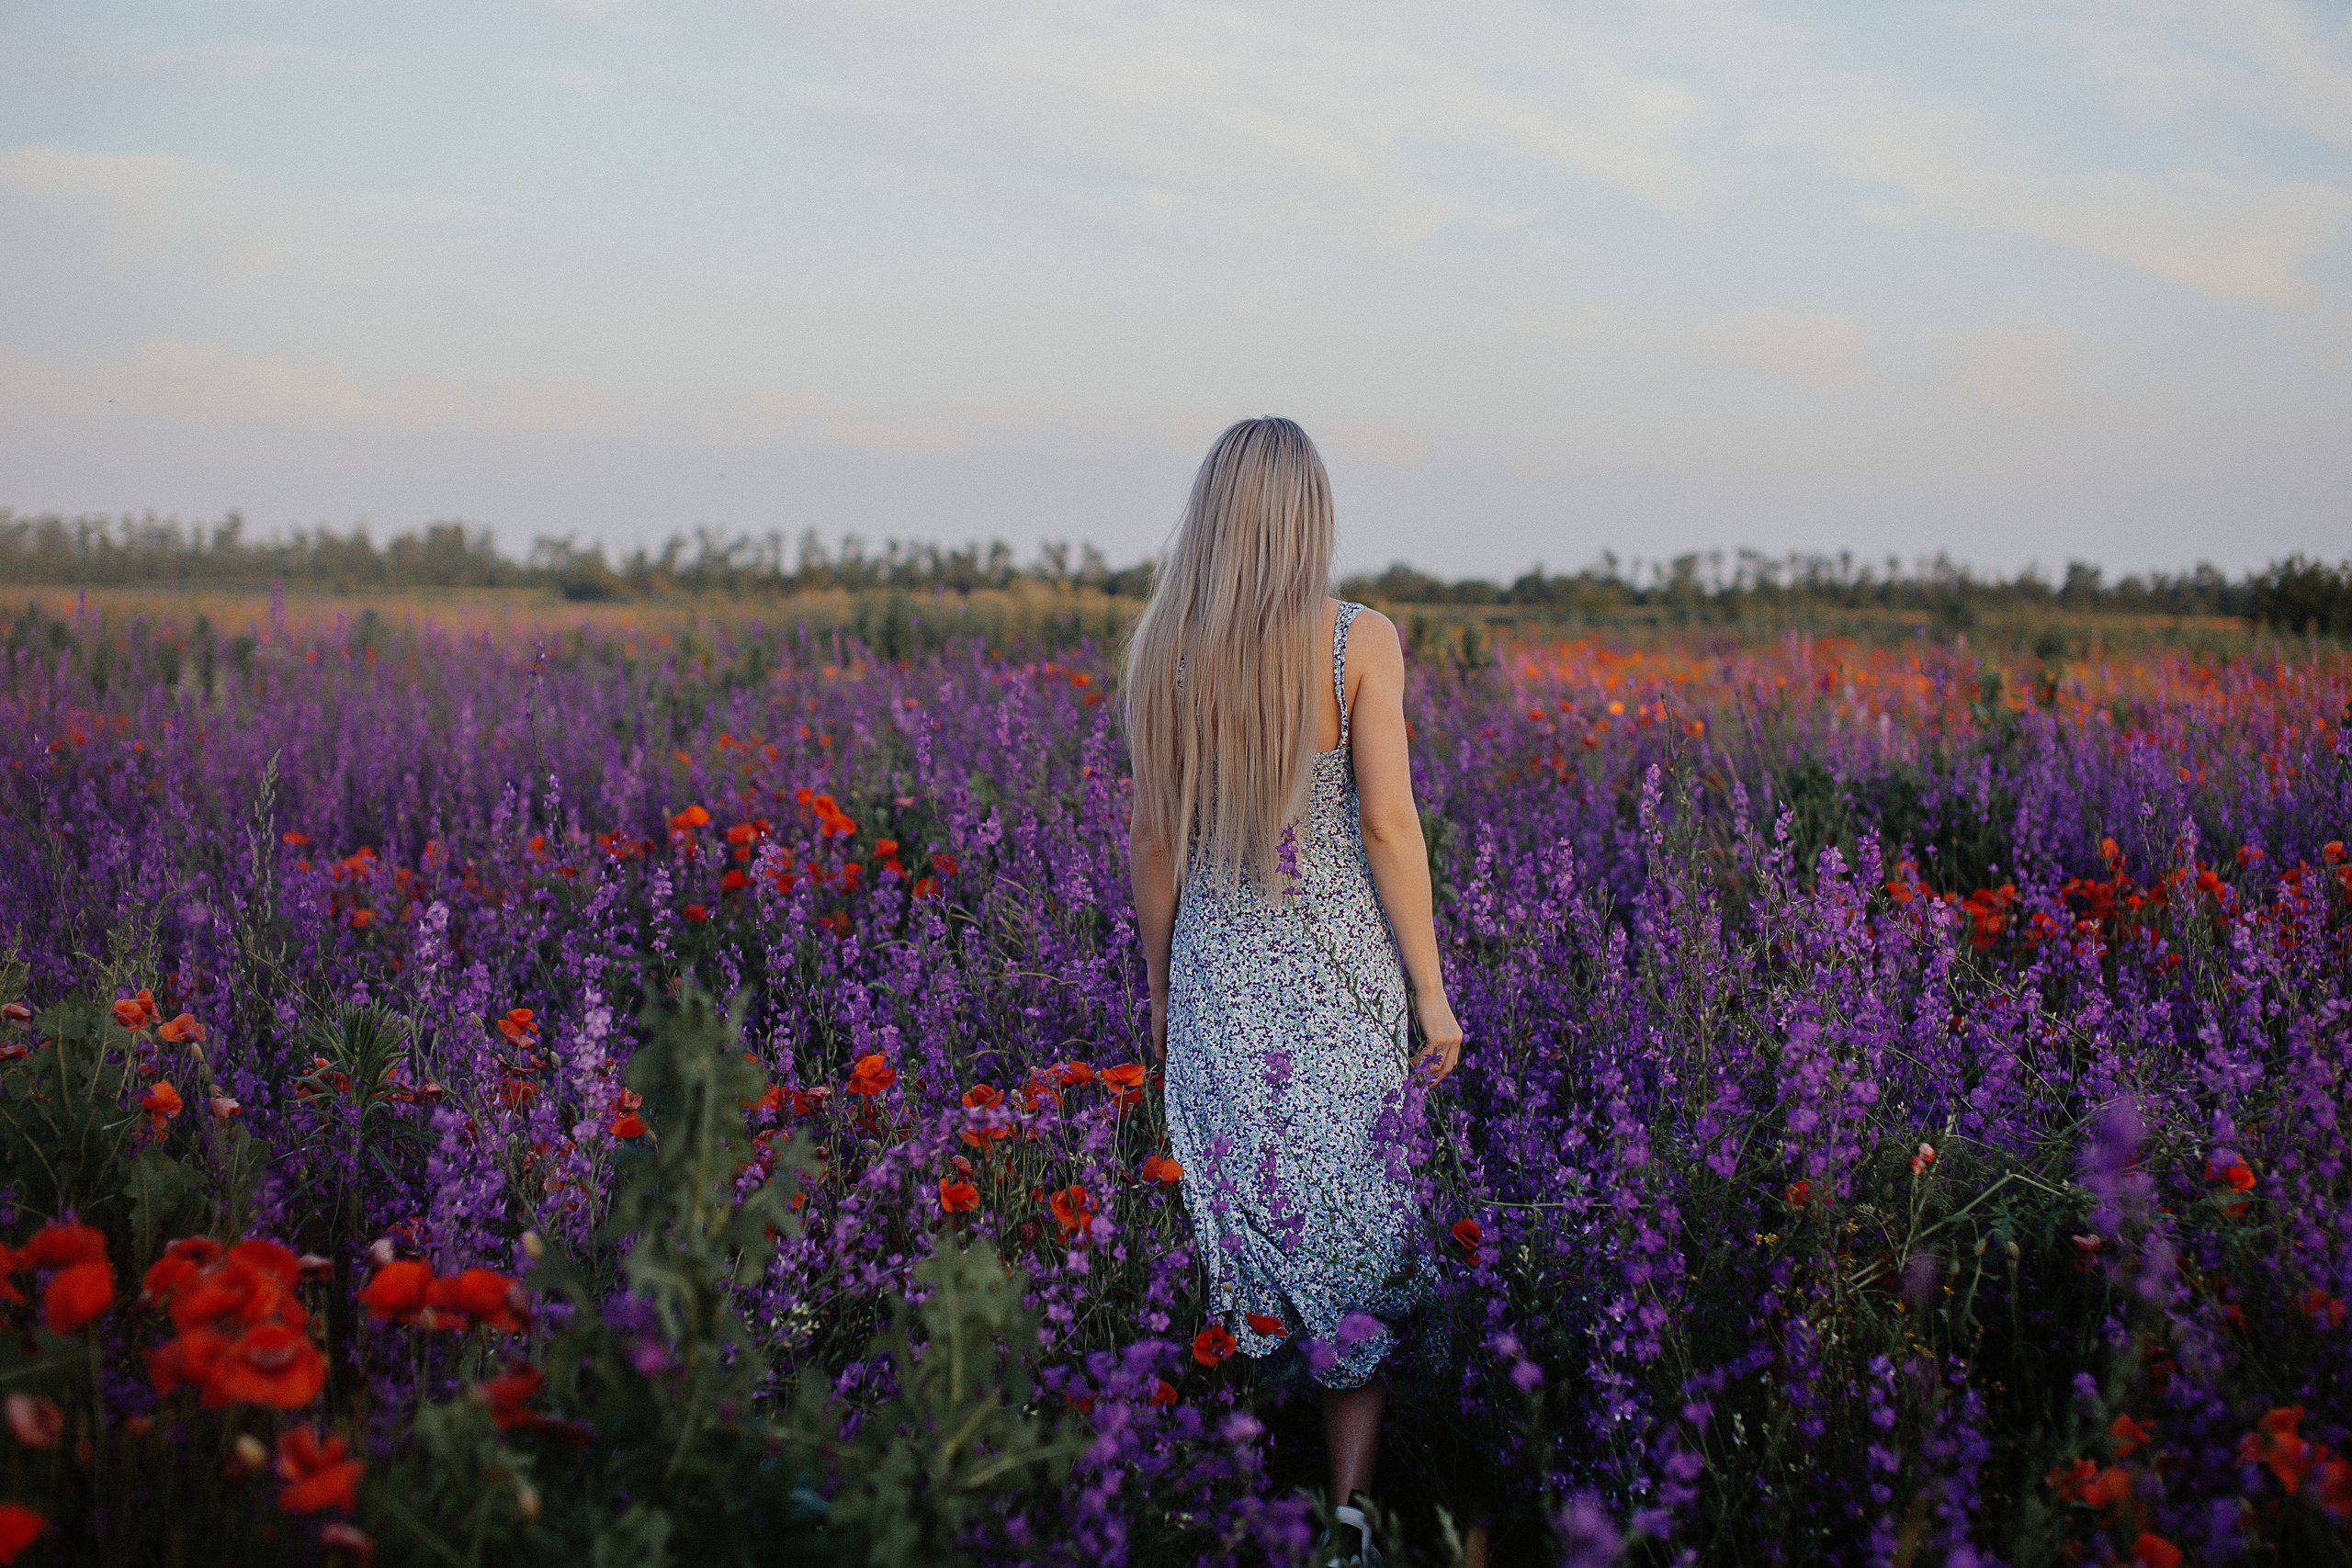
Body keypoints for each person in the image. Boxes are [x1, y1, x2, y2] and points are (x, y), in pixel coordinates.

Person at [1125, 416, 1464, 1568]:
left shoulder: (1169, 651)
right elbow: (1387, 824)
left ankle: (1217, 1491)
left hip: (1222, 993)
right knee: (1354, 1243)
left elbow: (1155, 841)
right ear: (1308, 516)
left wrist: (1164, 996)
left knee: (1244, 1239)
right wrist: (1430, 995)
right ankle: (1353, 1511)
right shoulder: (1357, 641)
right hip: (1338, 996)